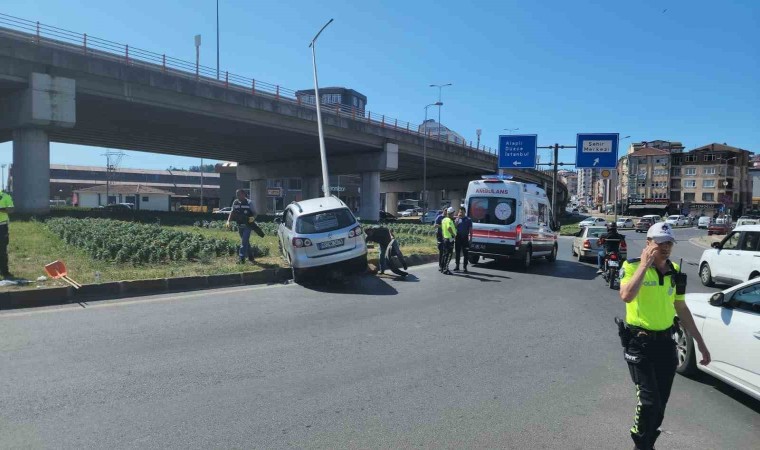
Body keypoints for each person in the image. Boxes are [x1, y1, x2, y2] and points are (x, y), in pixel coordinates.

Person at [619, 222, 710, 450]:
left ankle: (649, 442)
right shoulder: (631, 267)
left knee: (661, 404)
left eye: (669, 242)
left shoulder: (676, 273)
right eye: (660, 242)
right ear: (648, 243)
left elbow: (681, 308)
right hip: (639, 343)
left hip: (665, 345)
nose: (665, 247)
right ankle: (640, 443)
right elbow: (627, 296)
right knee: (649, 402)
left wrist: (699, 341)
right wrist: (643, 266)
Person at [226, 189, 257, 264]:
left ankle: (241, 258)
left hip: (248, 225)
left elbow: (255, 213)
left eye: (239, 194)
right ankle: (251, 257)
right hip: (239, 225)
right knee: (246, 242)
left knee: (243, 242)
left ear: (243, 194)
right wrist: (228, 221)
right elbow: (232, 212)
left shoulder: (249, 202)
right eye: (237, 194)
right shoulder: (235, 202)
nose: (238, 196)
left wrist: (253, 218)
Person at [0, 189, 14, 279]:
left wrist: (1, 209)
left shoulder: (5, 196)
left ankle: (4, 271)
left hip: (2, 226)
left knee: (2, 250)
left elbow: (11, 210)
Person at [454, 207, 473, 273]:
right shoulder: (457, 219)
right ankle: (457, 266)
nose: (460, 213)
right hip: (458, 237)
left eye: (462, 212)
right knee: (457, 253)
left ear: (465, 212)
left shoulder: (468, 219)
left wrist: (471, 238)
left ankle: (465, 267)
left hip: (465, 237)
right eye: (460, 212)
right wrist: (457, 220)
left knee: (466, 253)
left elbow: (470, 230)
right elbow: (455, 227)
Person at [440, 207, 457, 275]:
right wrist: (453, 234)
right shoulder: (449, 220)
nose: (453, 214)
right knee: (449, 255)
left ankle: (442, 267)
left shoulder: (444, 219)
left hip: (445, 238)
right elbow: (449, 228)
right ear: (451, 213)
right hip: (449, 239)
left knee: (444, 254)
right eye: (453, 213)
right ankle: (445, 269)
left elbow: (443, 228)